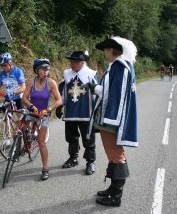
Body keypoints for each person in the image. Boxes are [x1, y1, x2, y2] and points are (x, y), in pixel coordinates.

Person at [81, 36, 138, 207]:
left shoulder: (121, 67)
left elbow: (117, 96)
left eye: (106, 50)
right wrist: (93, 87)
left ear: (114, 50)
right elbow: (107, 91)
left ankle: (116, 196)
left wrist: (112, 119)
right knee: (115, 155)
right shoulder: (117, 66)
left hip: (111, 119)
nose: (104, 53)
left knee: (116, 155)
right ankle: (113, 189)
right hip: (109, 117)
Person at [56, 51, 98, 175]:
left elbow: (97, 93)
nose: (71, 64)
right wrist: (60, 106)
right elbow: (63, 90)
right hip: (70, 112)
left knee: (88, 139)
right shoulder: (67, 73)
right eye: (71, 61)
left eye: (74, 62)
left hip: (86, 112)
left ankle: (90, 162)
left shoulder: (91, 74)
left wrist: (97, 111)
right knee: (71, 137)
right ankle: (73, 158)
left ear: (81, 62)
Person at [22, 58, 62, 181]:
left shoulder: (51, 83)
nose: (46, 71)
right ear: (36, 70)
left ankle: (45, 169)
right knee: (20, 130)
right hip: (31, 111)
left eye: (47, 69)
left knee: (41, 141)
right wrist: (31, 106)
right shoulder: (31, 82)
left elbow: (59, 100)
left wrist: (49, 109)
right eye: (43, 69)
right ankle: (23, 144)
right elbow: (24, 98)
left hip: (43, 114)